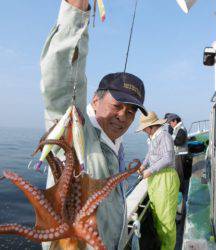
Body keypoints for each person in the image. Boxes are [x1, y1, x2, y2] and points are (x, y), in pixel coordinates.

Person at [40, 0, 148, 249]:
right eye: (117, 105)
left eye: (131, 111)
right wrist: (76, 12)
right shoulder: (76, 133)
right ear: (95, 100)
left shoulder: (115, 147)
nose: (123, 115)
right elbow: (60, 83)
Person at [137, 112, 180, 250]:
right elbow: (150, 154)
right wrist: (143, 166)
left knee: (166, 217)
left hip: (165, 178)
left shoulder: (164, 136)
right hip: (156, 179)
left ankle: (168, 247)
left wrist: (149, 170)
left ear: (151, 126)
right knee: (158, 214)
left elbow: (167, 158)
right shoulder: (153, 137)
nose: (143, 131)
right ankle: (162, 244)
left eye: (144, 128)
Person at [167, 113, 192, 216]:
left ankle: (182, 200)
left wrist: (169, 138)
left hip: (181, 156)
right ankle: (181, 196)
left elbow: (178, 142)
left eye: (170, 122)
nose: (169, 124)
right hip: (178, 155)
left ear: (175, 121)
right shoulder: (176, 128)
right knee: (179, 176)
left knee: (180, 177)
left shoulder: (181, 129)